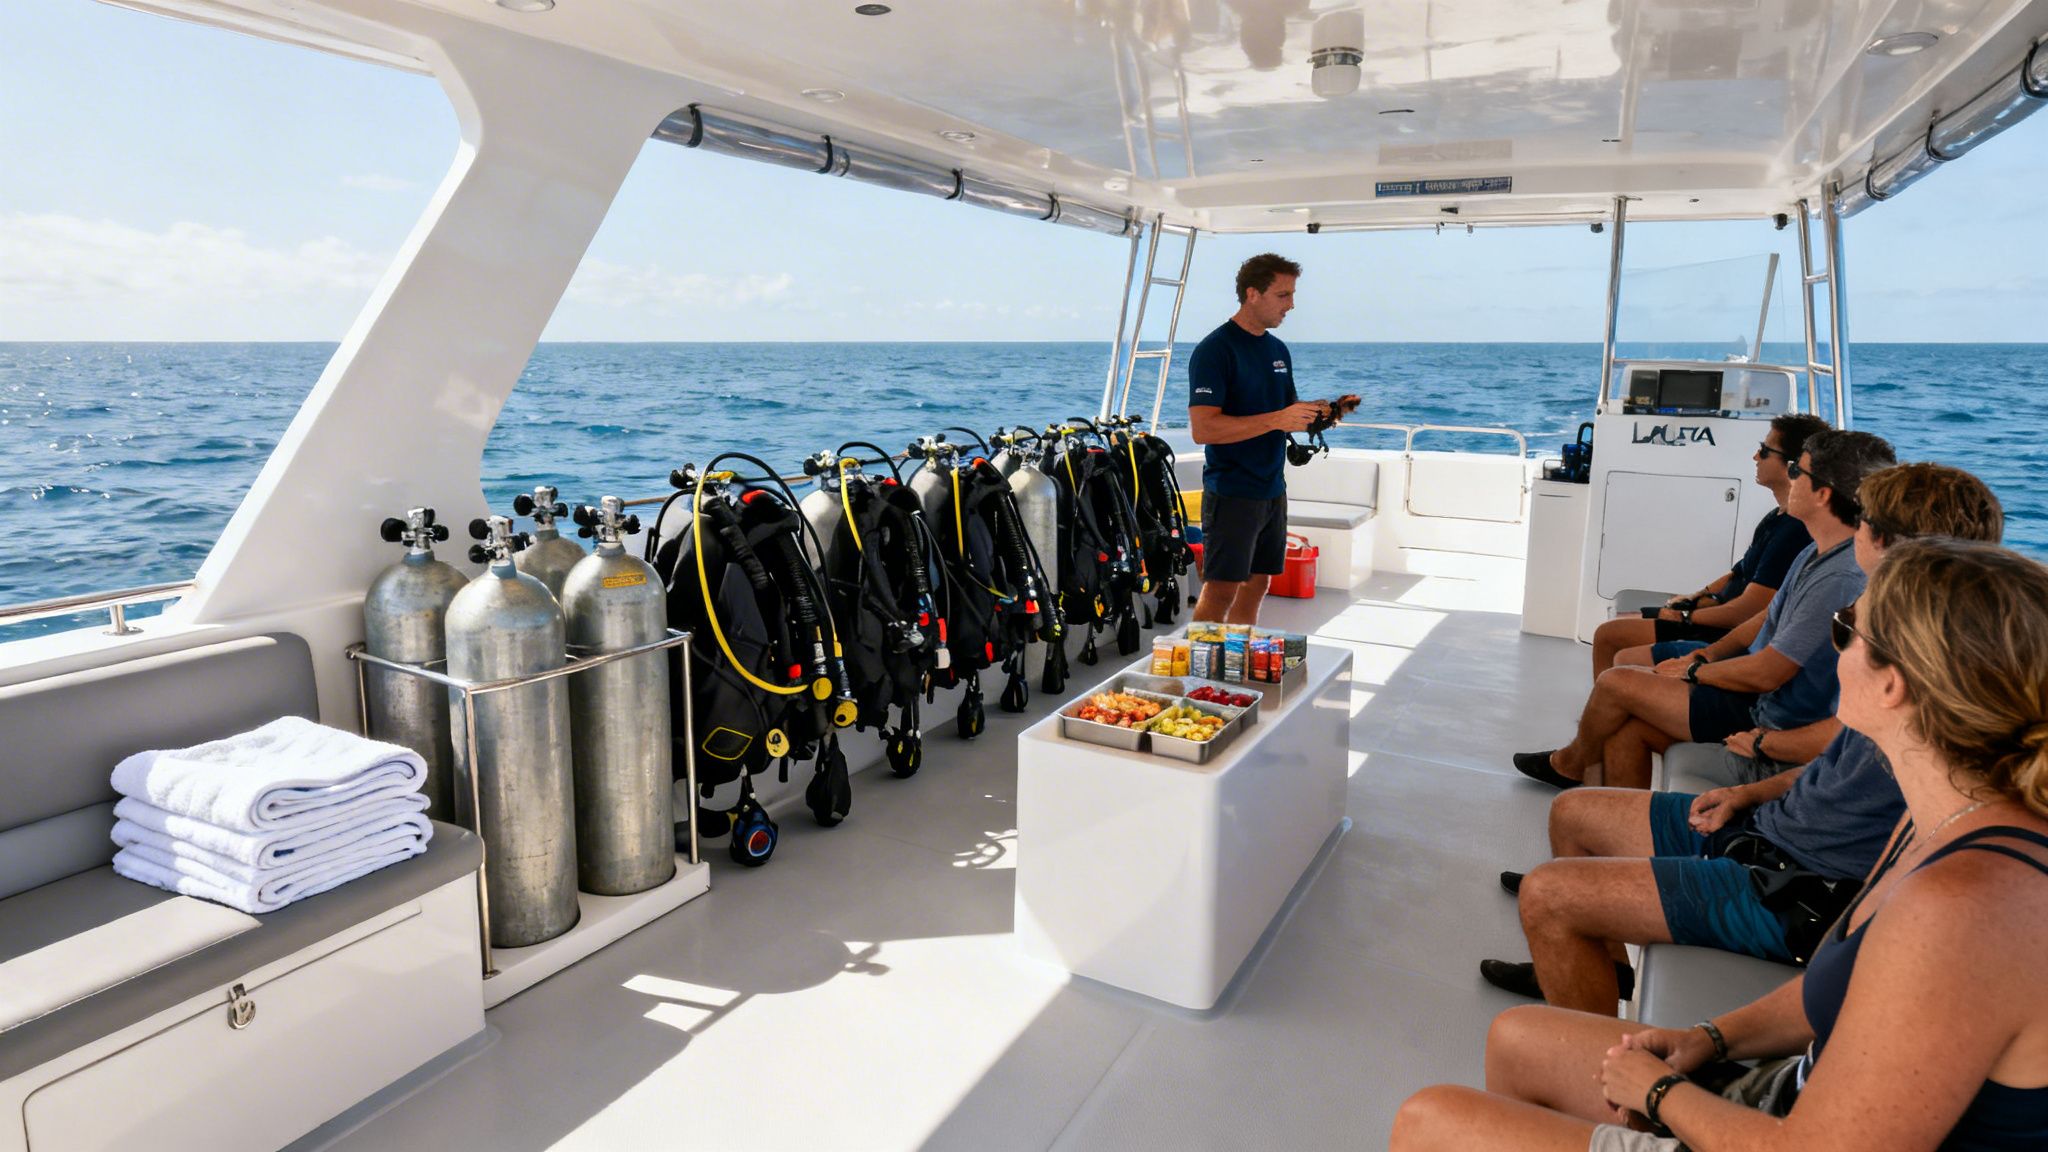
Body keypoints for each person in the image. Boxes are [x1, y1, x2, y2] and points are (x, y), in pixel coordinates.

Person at [1393, 536, 2048, 1152]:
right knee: (1518, 1036)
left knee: (1428, 1121)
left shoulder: (1962, 908)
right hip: (1786, 1095)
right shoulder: (1940, 823)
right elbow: (1840, 986)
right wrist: (1709, 1037)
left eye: (1845, 630)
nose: (1834, 646)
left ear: (1892, 684)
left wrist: (1660, 1093)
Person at [1480, 463, 2004, 1015]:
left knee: (1550, 893)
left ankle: (1587, 1055)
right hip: (1767, 828)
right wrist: (1751, 793)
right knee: (1573, 814)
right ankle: (1602, 972)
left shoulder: (1934, 679)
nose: (1842, 651)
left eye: (1845, 632)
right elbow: (1840, 763)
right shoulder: (1905, 637)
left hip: (1796, 888)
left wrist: (1759, 740)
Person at [1515, 429, 1895, 790]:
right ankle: (1615, 830)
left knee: (1618, 682)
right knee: (1627, 728)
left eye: (1798, 471)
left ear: (1823, 494)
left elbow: (1768, 672)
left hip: (1768, 715)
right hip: (1757, 697)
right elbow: (1764, 619)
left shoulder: (1839, 576)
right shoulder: (1815, 550)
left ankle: (1573, 764)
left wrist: (1699, 671)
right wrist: (1706, 653)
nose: (1791, 477)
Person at [1186, 253, 1356, 625]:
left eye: (1292, 295)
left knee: (1258, 583)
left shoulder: (1278, 350)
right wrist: (1279, 418)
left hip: (1271, 488)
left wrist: (1324, 414)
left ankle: (1235, 662)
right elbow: (1204, 429)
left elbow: (1284, 415)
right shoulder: (1215, 350)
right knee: (1222, 589)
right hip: (1231, 490)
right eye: (1283, 295)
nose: (1292, 305)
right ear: (1252, 294)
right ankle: (1196, 675)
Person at [1589, 414, 1827, 675]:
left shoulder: (1795, 530)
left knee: (1610, 638)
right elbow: (1739, 572)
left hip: (1723, 632)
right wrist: (1698, 596)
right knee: (1615, 626)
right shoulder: (1776, 517)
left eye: (1764, 451)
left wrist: (1686, 617)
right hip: (1713, 616)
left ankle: (1606, 709)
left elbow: (1748, 611)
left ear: (1792, 466)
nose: (1755, 457)